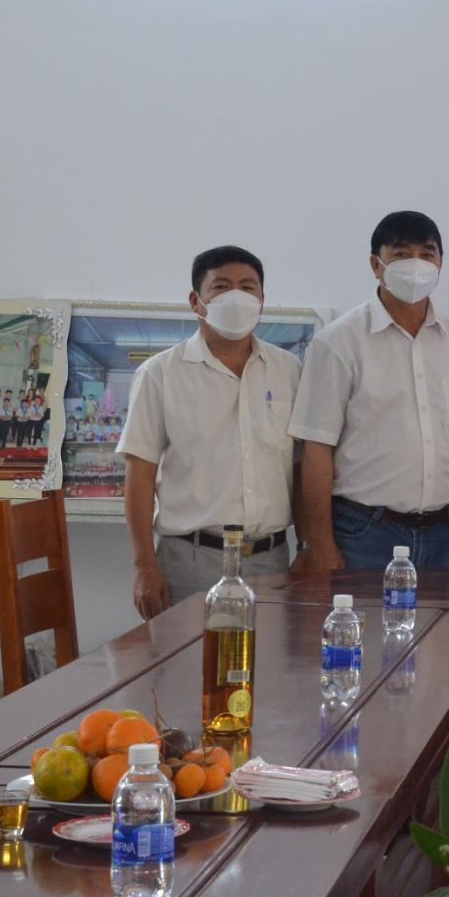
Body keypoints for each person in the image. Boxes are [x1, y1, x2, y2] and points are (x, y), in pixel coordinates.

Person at [291, 211, 449, 572]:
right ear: (376, 265)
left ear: (440, 264)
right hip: (365, 532)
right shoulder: (338, 342)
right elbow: (316, 448)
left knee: (448, 615)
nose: (416, 265)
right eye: (402, 254)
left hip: (448, 533)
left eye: (427, 254)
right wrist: (320, 543)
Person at [118, 246, 302, 619]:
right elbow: (139, 477)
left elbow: (302, 469)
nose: (236, 296)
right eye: (221, 286)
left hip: (272, 560)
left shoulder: (289, 371)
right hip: (191, 562)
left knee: (270, 657)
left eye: (247, 287)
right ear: (195, 301)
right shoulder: (160, 374)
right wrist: (144, 565)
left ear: (262, 300)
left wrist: (310, 547)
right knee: (188, 657)